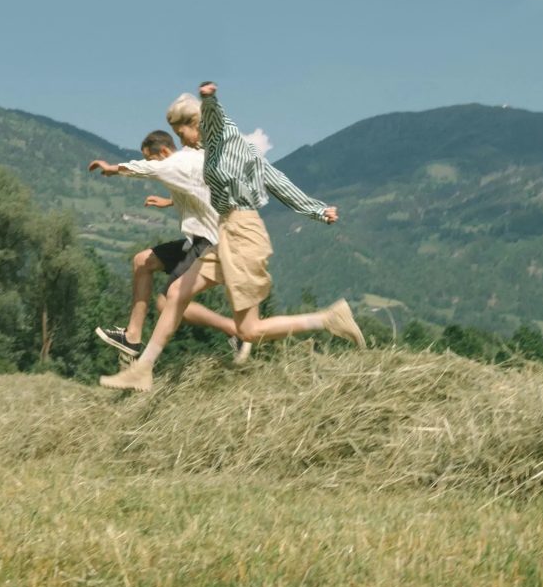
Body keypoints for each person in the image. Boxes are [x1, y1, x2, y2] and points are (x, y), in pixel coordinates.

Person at [99, 82, 364, 392]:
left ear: (196, 125)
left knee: (249, 330)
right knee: (176, 294)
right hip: (226, 232)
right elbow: (254, 181)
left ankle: (328, 319)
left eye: (182, 132)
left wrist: (209, 100)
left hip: (244, 235)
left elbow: (272, 178)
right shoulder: (210, 155)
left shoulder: (229, 145)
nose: (182, 140)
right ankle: (142, 369)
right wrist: (317, 211)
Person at [88, 129, 246, 361]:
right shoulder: (185, 163)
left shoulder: (176, 163)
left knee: (166, 303)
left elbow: (149, 169)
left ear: (163, 151)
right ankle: (132, 338)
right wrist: (170, 201)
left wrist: (113, 168)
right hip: (197, 239)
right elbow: (197, 187)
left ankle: (236, 331)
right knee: (142, 261)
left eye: (151, 158)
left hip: (211, 242)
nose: (151, 163)